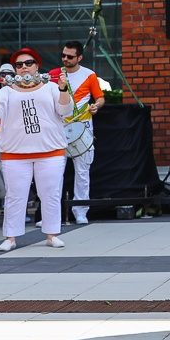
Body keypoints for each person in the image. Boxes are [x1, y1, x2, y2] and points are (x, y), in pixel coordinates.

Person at [0, 48, 73, 252]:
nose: (24, 68)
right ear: (14, 70)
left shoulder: (51, 87)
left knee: (51, 194)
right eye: (19, 65)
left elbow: (66, 111)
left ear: (37, 66)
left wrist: (64, 89)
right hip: (14, 153)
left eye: (28, 63)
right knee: (15, 196)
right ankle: (10, 238)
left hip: (51, 151)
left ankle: (52, 234)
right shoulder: (6, 91)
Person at [60, 40, 105, 225]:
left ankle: (80, 212)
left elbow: (100, 98)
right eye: (63, 55)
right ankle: (52, 213)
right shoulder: (56, 75)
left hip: (83, 126)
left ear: (79, 57)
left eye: (70, 57)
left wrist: (96, 106)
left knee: (82, 171)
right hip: (59, 127)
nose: (65, 59)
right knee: (54, 171)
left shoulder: (89, 75)